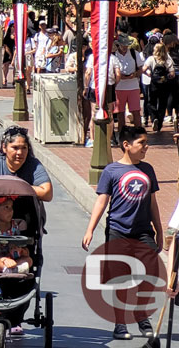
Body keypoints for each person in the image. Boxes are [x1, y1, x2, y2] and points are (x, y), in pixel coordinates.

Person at [82, 125, 162, 341]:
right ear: (126, 145)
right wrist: (90, 229)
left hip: (144, 231)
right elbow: (102, 200)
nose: (146, 147)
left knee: (150, 273)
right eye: (142, 143)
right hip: (118, 230)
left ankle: (141, 313)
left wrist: (160, 231)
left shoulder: (148, 170)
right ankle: (120, 324)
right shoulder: (112, 171)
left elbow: (153, 202)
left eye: (146, 142)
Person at [0, 125, 53, 202]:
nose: (20, 152)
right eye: (15, 148)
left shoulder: (33, 165)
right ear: (4, 148)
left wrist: (12, 188)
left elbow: (47, 193)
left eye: (24, 148)